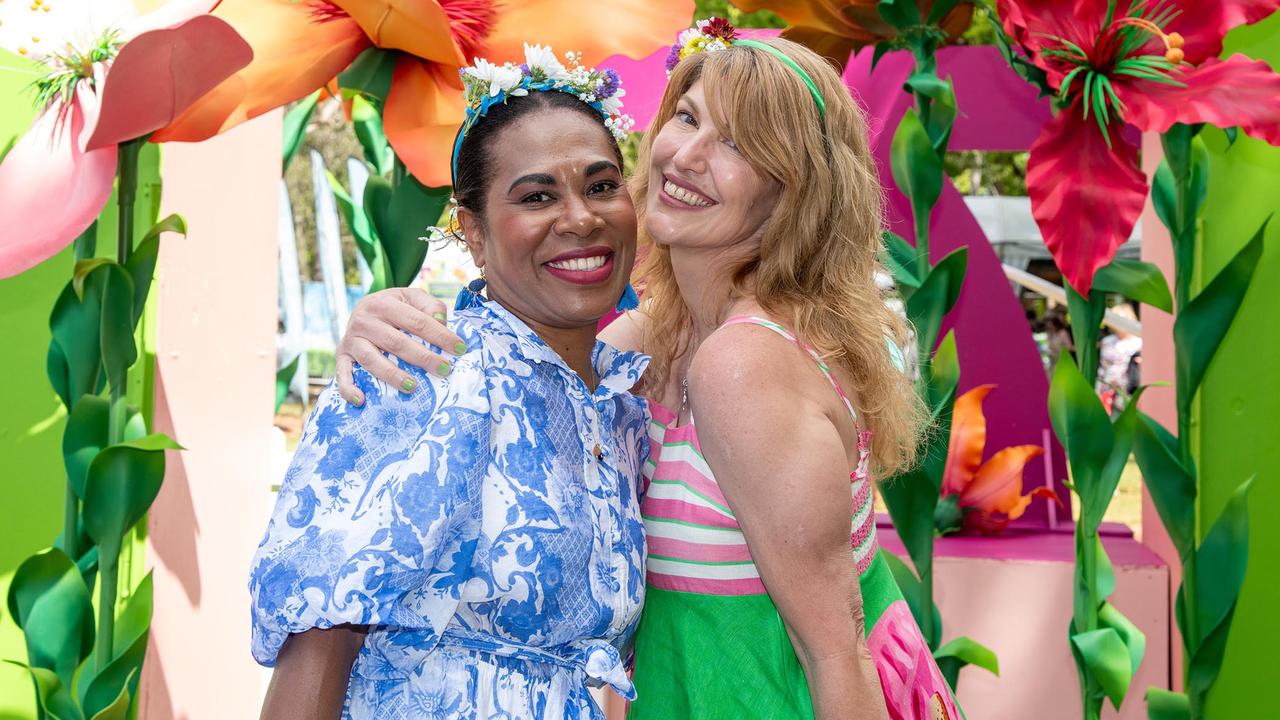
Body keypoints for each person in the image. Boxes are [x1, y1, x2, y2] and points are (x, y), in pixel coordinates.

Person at [336, 20, 962, 720]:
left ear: (791, 191)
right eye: (688, 118)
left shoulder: (741, 362)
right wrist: (392, 323)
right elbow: (520, 359)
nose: (687, 156)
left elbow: (835, 648)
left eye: (736, 144)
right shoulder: (657, 333)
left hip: (770, 694)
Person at [251, 45, 650, 720]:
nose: (580, 216)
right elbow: (320, 642)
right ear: (472, 230)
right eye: (537, 196)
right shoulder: (424, 371)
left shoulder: (615, 407)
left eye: (602, 185)